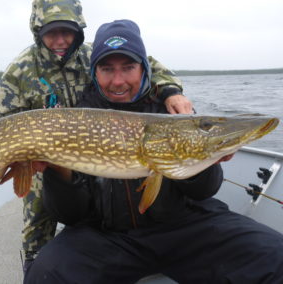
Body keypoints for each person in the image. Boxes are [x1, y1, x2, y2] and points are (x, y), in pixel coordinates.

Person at [23, 19, 283, 284]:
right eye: (106, 68)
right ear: (95, 72)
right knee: (46, 274)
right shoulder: (76, 120)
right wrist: (59, 171)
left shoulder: (171, 110)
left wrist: (206, 159)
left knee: (276, 255)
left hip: (185, 228)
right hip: (108, 237)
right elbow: (70, 215)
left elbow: (204, 191)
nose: (118, 80)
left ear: (144, 67)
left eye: (128, 67)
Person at [0, 0, 193, 272]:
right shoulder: (20, 70)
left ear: (79, 31)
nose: (61, 40)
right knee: (39, 206)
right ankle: (33, 264)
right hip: (41, 149)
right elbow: (4, 124)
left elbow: (150, 65)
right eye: (52, 32)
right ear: (38, 31)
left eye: (68, 31)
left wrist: (171, 91)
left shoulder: (93, 55)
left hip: (97, 139)